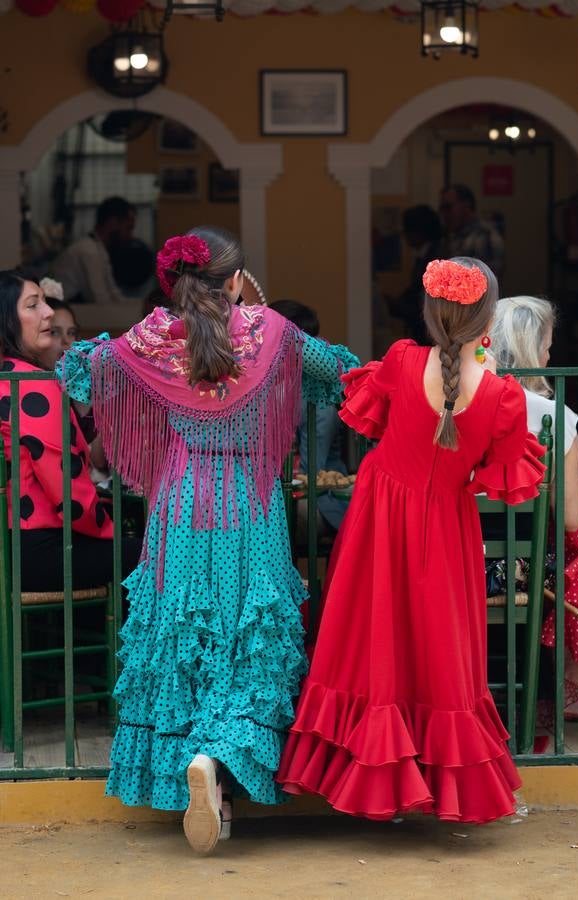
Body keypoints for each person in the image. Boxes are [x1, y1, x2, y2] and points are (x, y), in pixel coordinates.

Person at [57, 227, 359, 854]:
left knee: (185, 632)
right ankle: (217, 757)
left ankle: (210, 790)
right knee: (248, 634)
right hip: (249, 503)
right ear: (233, 278)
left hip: (179, 503)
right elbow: (341, 372)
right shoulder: (269, 333)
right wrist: (260, 311)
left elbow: (81, 369)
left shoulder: (152, 338)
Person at [277, 257, 546, 823]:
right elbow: (496, 478)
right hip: (446, 531)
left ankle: (377, 788)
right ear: (488, 317)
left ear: (428, 312)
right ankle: (436, 790)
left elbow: (371, 421)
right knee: (438, 654)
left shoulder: (400, 362)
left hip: (378, 524)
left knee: (371, 646)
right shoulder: (503, 397)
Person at [491, 296, 578, 720]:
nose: (551, 356)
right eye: (547, 347)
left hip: (454, 559)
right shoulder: (555, 416)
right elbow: (571, 516)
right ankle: (571, 683)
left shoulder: (455, 403)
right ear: (530, 350)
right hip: (522, 569)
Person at [0, 271, 140, 593]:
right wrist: (112, 528)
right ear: (7, 320)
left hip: (9, 548)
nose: (48, 312)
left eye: (44, 302)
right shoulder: (33, 386)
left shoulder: (5, 381)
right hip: (37, 550)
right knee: (147, 555)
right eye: (33, 305)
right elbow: (70, 497)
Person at [270, 299, 349, 534]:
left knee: (273, 515)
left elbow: (311, 472)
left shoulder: (318, 399)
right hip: (283, 490)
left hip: (321, 498)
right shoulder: (276, 388)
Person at [52, 196, 136, 305]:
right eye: (128, 228)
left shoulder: (98, 249)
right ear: (113, 223)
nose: (130, 236)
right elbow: (101, 302)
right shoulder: (88, 251)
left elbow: (115, 296)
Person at [387, 205, 443, 344]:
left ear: (418, 232)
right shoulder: (424, 255)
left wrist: (398, 306)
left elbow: (421, 295)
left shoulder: (435, 258)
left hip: (428, 331)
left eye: (406, 231)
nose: (404, 236)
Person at [440, 185, 504, 278]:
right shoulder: (449, 236)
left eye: (448, 207)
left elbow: (486, 282)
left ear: (467, 206)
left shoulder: (484, 235)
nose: (444, 213)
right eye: (442, 208)